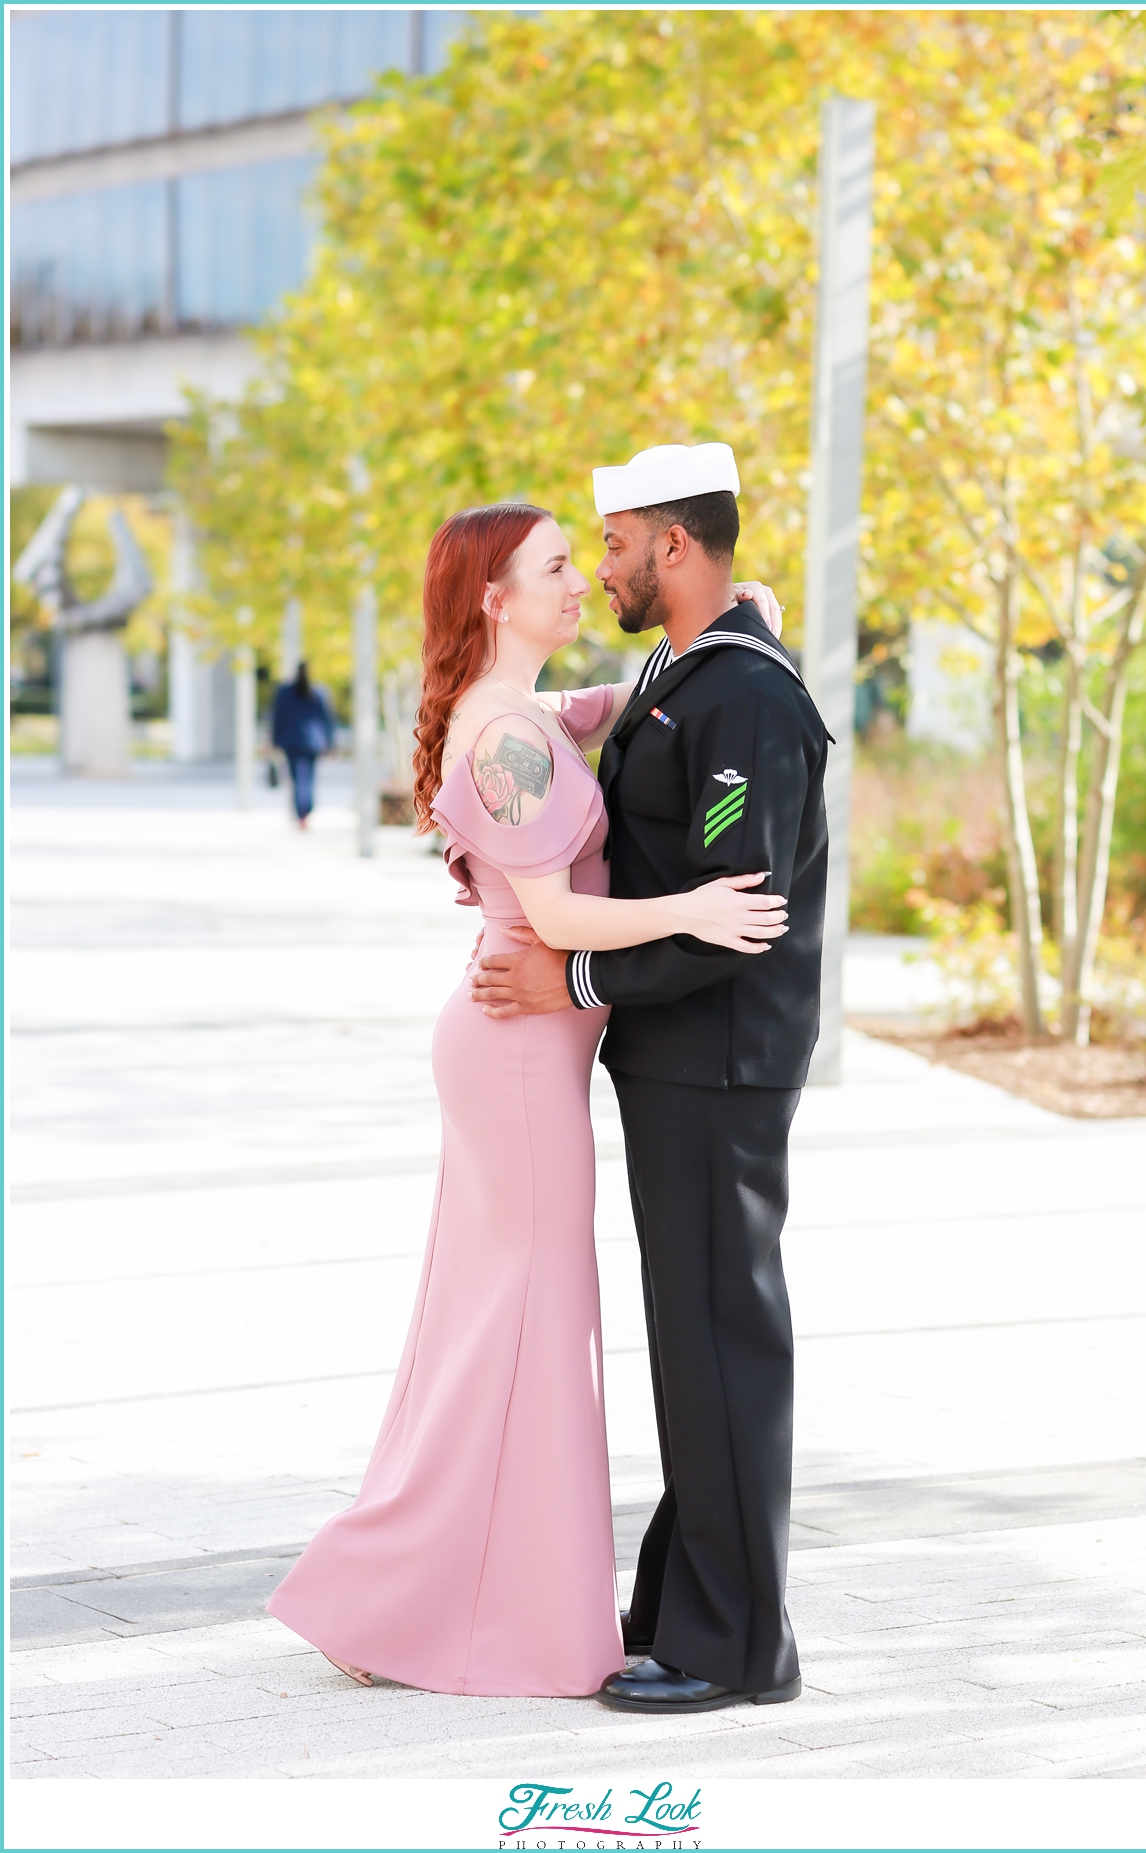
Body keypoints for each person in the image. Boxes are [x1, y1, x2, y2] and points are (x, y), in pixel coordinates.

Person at [266, 501, 788, 1697]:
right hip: (517, 1056)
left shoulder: (517, 712)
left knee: (500, 1325)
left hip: (522, 1048)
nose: (578, 579)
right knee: (528, 1331)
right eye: (555, 565)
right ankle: (429, 1599)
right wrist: (690, 909)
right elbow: (553, 919)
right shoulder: (497, 737)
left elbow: (606, 704)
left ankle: (409, 1589)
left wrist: (733, 626)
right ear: (496, 599)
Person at [471, 443, 832, 1714]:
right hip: (684, 1060)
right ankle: (686, 1609)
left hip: (721, 1062)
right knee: (699, 1342)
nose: (605, 565)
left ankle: (740, 1648)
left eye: (616, 545)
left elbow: (738, 909)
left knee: (725, 1339)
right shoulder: (690, 671)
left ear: (675, 546)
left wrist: (575, 984)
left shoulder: (743, 698)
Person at [271, 662, 335, 827]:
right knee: (308, 778)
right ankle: (305, 811)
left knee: (297, 778)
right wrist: (330, 741)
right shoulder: (318, 692)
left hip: (291, 741)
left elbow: (278, 718)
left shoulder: (285, 693)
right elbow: (327, 719)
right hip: (312, 742)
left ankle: (302, 813)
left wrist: (275, 740)